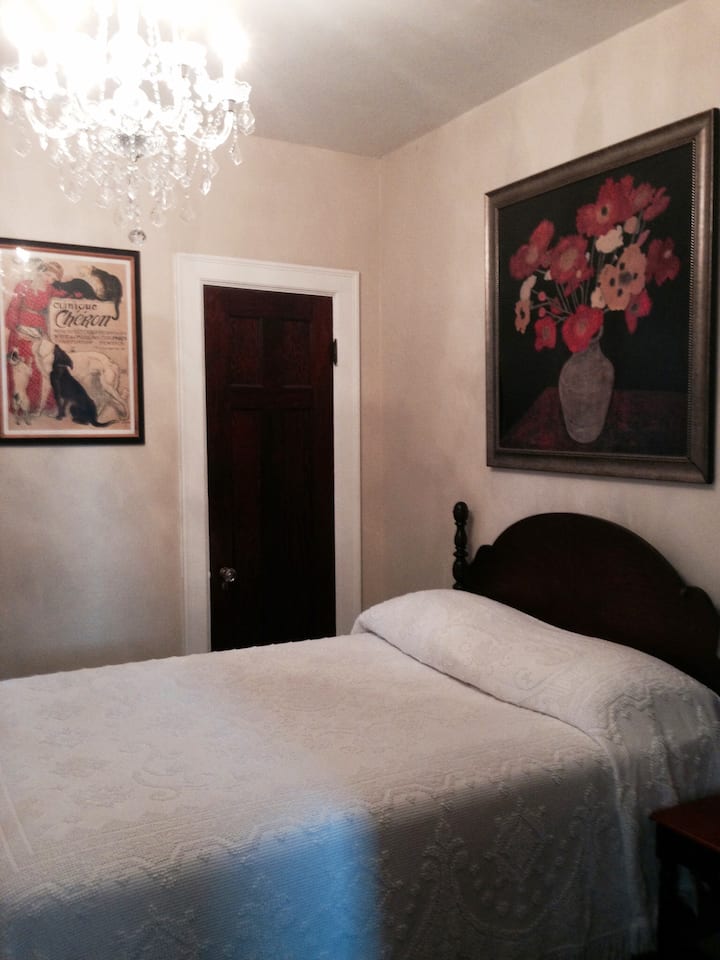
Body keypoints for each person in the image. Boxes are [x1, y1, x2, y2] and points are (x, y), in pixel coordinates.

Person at [5, 259, 63, 415]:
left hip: (39, 328)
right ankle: (19, 405)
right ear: (41, 271)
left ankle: (36, 405)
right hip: (21, 327)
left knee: (39, 365)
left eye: (53, 279)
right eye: (48, 275)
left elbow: (67, 293)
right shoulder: (24, 285)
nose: (49, 280)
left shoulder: (50, 289)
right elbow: (13, 307)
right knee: (21, 366)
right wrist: (15, 327)